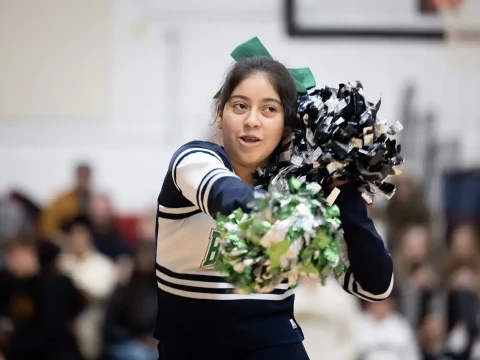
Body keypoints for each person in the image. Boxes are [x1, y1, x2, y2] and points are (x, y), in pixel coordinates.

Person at [154, 56, 394, 360]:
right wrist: (285, 215)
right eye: (240, 106)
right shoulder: (193, 161)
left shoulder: (299, 190)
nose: (252, 120)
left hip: (273, 345)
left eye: (269, 109)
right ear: (220, 114)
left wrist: (345, 190)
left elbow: (375, 286)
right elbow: (226, 197)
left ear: (286, 125)